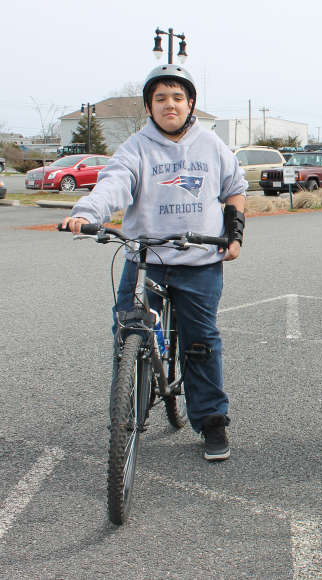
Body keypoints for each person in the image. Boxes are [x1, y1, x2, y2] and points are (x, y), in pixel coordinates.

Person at [61, 64, 247, 462]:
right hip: (145, 258)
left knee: (200, 344)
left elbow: (235, 191)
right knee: (129, 330)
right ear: (149, 106)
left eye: (178, 97)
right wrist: (87, 211)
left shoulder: (212, 146)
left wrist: (234, 235)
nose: (170, 105)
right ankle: (128, 408)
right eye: (160, 98)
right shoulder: (136, 147)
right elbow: (113, 183)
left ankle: (212, 422)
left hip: (199, 261)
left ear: (191, 103)